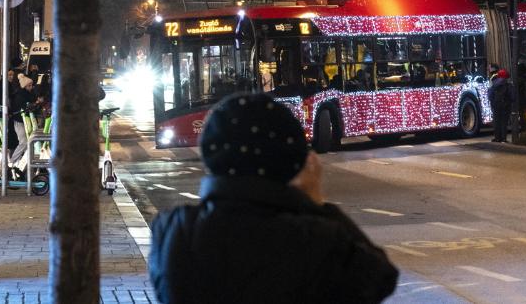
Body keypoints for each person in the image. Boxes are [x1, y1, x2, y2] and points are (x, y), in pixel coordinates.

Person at [149, 93, 399, 304]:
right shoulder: (318, 239)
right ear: (293, 159)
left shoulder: (173, 232)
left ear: (210, 153)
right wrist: (314, 202)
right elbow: (380, 277)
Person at [9, 74, 35, 169]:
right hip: (20, 121)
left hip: (23, 121)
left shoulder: (26, 94)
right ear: (24, 86)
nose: (31, 87)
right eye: (29, 85)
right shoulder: (20, 96)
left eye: (31, 85)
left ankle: (18, 163)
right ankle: (12, 162)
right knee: (24, 142)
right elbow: (23, 108)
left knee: (25, 142)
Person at [488, 69, 515, 143]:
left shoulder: (493, 84)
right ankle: (503, 139)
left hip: (496, 105)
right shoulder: (508, 85)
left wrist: (493, 103)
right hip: (505, 106)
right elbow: (512, 96)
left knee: (497, 122)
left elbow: (490, 95)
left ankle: (497, 138)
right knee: (504, 122)